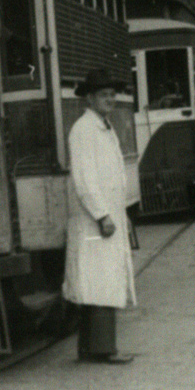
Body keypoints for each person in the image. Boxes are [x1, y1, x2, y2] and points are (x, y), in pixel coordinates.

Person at [62, 68, 136, 365]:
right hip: (95, 218)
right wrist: (102, 214)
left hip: (107, 215)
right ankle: (104, 349)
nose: (110, 99)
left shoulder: (104, 126)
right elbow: (84, 179)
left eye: (112, 94)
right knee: (100, 281)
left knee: (98, 280)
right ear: (89, 98)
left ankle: (90, 348)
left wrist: (121, 212)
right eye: (104, 95)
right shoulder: (83, 129)